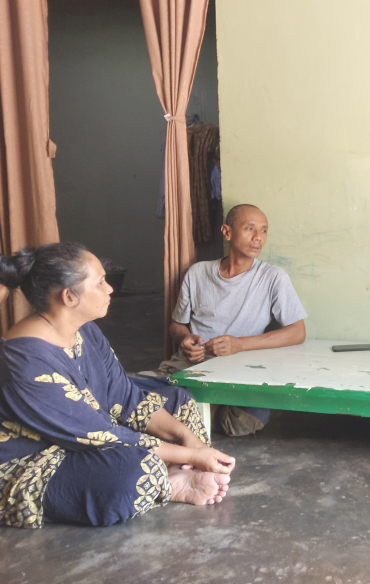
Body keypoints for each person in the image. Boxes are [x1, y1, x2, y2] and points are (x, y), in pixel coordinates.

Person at [0, 243, 235, 529]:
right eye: (100, 282)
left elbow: (126, 397)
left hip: (93, 436)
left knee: (178, 402)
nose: (109, 289)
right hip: (35, 459)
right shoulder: (25, 360)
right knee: (128, 473)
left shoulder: (84, 329)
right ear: (69, 296)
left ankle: (171, 471)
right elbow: (102, 435)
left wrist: (189, 439)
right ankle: (171, 481)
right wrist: (192, 454)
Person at [168, 204, 307, 436]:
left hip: (241, 373)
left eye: (264, 230)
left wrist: (239, 344)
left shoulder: (272, 277)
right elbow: (176, 326)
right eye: (249, 229)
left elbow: (298, 332)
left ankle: (189, 413)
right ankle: (193, 410)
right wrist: (185, 339)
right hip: (194, 368)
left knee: (251, 416)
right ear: (227, 232)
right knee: (136, 391)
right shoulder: (198, 273)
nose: (258, 237)